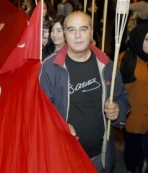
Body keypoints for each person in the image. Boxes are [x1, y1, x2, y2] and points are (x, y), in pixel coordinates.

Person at [39, 11, 130, 173]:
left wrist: (117, 110)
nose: (78, 36)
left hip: (99, 156)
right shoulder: (50, 68)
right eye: (71, 30)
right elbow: (40, 111)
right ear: (65, 34)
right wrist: (60, 126)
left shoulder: (107, 66)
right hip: (64, 155)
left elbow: (122, 98)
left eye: (83, 29)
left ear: (91, 32)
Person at [118, 23, 148, 173]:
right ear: (138, 39)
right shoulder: (125, 59)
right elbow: (115, 90)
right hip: (133, 119)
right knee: (133, 154)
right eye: (147, 39)